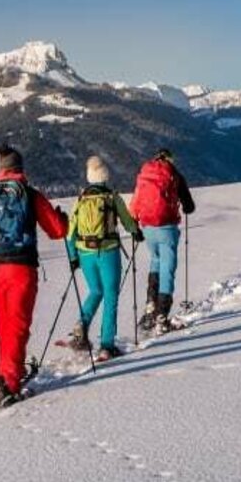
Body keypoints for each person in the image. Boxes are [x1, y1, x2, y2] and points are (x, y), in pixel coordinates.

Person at [0, 144, 67, 409]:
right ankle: (8, 383)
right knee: (18, 325)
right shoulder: (30, 195)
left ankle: (3, 373)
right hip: (21, 266)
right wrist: (62, 219)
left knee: (5, 322)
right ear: (20, 168)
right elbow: (57, 231)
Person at [65, 155, 142, 362]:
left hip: (85, 253)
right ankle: (106, 346)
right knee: (110, 296)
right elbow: (127, 221)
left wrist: (73, 257)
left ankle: (82, 324)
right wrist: (136, 232)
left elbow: (70, 232)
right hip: (108, 251)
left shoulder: (80, 200)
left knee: (95, 290)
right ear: (105, 176)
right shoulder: (111, 197)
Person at [129, 147, 195, 334]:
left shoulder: (144, 175)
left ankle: (150, 306)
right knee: (168, 269)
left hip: (148, 228)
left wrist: (135, 227)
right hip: (167, 228)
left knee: (156, 261)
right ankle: (162, 317)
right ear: (169, 159)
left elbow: (135, 202)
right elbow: (189, 206)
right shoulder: (174, 175)